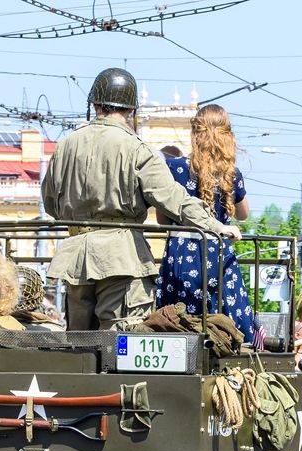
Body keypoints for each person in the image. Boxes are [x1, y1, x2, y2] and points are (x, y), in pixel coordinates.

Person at [44, 67, 237, 331]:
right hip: (121, 258)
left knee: (79, 343)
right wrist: (216, 226)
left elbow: (50, 203)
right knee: (122, 344)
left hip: (75, 255)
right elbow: (173, 199)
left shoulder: (65, 145)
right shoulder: (136, 148)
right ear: (131, 110)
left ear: (95, 104)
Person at [155, 104, 257, 343]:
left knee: (179, 316)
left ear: (195, 133)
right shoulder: (232, 174)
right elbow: (243, 215)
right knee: (224, 310)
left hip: (180, 252)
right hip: (217, 252)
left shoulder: (174, 168)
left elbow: (162, 219)